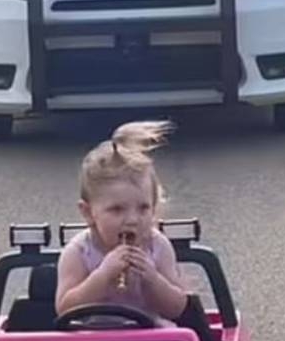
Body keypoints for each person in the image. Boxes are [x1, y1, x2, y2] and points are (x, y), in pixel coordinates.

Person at [55, 120, 189, 323]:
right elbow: (64, 308)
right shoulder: (79, 252)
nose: (132, 220)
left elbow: (177, 308)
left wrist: (153, 279)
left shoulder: (157, 246)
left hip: (150, 334)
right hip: (90, 336)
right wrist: (102, 276)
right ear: (88, 213)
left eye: (143, 208)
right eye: (117, 209)